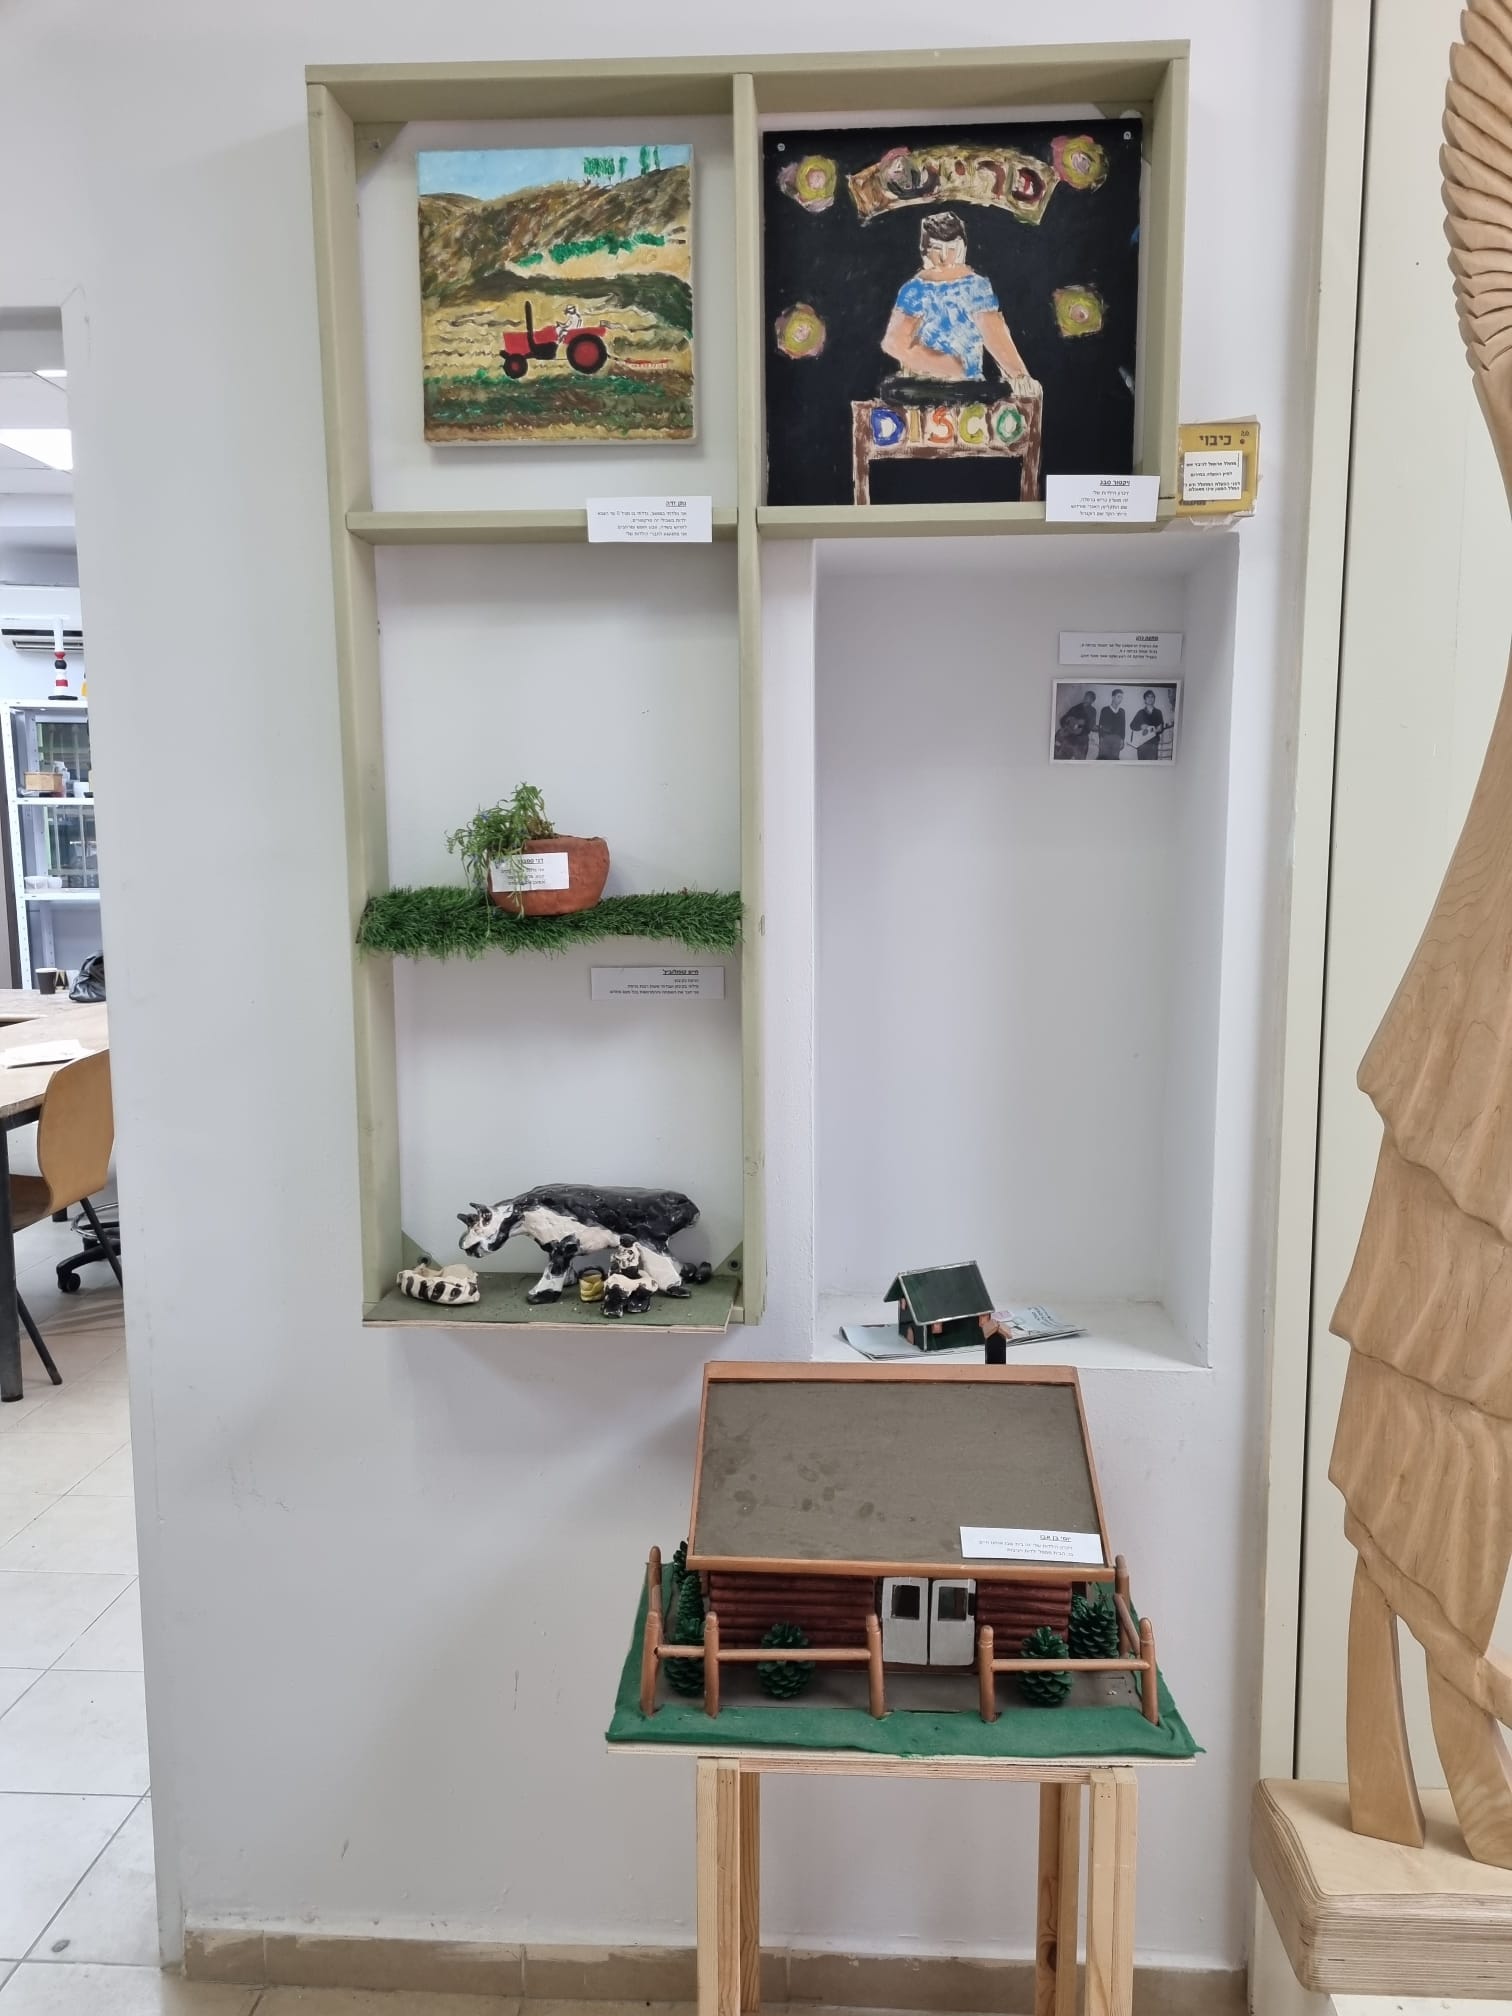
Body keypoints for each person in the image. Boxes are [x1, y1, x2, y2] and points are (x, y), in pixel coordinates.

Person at [881, 210, 1037, 394]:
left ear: (963, 247)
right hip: (922, 385)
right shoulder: (914, 289)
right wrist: (947, 366)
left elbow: (995, 335)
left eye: (952, 248)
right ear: (925, 250)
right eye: (937, 249)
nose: (945, 257)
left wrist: (1020, 376)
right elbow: (893, 343)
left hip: (969, 388)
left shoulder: (977, 286)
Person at [1056, 688, 1097, 760]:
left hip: (1082, 736)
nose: (1086, 698)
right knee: (1061, 747)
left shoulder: (1093, 711)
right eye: (1086, 696)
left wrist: (1083, 724)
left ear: (1092, 701)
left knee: (1081, 755)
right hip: (1070, 733)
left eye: (1089, 698)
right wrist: (1068, 723)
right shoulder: (1076, 708)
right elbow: (1063, 719)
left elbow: (1091, 726)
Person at [1130, 687, 1167, 760]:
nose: (1150, 698)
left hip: (1153, 743)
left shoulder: (1158, 712)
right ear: (1145, 700)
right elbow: (1132, 725)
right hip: (1141, 744)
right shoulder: (1140, 712)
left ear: (1154, 699)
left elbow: (1161, 728)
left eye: (1152, 697)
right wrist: (1140, 726)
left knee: (1152, 765)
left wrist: (1159, 729)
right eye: (1148, 697)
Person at [1097, 689, 1127, 760]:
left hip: (1117, 739)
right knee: (1103, 759)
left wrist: (1122, 739)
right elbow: (1101, 725)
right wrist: (1100, 738)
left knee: (1114, 759)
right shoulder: (1105, 710)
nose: (1120, 699)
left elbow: (1123, 726)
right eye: (1118, 697)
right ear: (1113, 697)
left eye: (1121, 697)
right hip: (1106, 738)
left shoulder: (1122, 711)